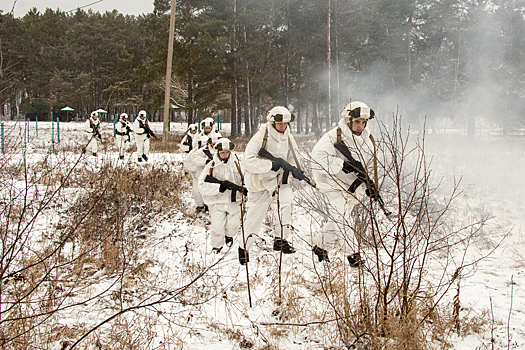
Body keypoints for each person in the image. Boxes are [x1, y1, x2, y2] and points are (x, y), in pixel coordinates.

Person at [310, 101, 379, 268]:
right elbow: (317, 156)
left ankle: (319, 247)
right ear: (348, 121)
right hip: (331, 184)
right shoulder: (334, 137)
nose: (360, 126)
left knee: (339, 218)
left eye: (363, 122)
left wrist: (371, 186)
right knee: (343, 218)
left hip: (351, 186)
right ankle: (353, 254)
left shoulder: (367, 140)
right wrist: (342, 164)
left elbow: (368, 166)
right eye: (357, 122)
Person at [238, 106, 303, 265]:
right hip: (259, 182)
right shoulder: (261, 136)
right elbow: (248, 160)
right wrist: (269, 165)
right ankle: (243, 247)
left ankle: (281, 240)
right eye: (280, 123)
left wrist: (295, 170)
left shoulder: (289, 137)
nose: (283, 126)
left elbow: (294, 157)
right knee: (254, 215)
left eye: (285, 123)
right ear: (272, 122)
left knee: (286, 206)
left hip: (279, 181)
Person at [198, 138, 246, 253]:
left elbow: (245, 179)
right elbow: (201, 184)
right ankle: (217, 247)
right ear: (218, 152)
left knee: (233, 225)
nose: (225, 155)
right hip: (217, 202)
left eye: (227, 152)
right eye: (222, 152)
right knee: (217, 227)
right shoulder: (211, 165)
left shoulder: (238, 164)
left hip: (234, 201)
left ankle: (229, 236)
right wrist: (218, 188)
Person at [185, 132, 222, 212]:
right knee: (197, 193)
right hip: (199, 176)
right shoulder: (200, 151)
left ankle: (210, 207)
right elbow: (190, 161)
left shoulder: (221, 152)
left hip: (213, 178)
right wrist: (203, 163)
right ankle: (201, 206)